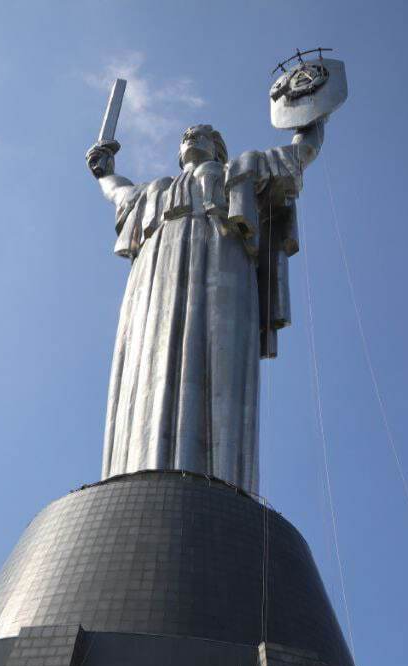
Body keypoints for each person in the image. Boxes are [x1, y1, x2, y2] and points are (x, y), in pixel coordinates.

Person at [85, 118, 325, 495]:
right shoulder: (154, 191)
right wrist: (104, 172)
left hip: (220, 257)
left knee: (218, 360)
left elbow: (299, 154)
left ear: (217, 148)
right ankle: (137, 474)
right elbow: (119, 193)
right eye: (184, 136)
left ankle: (221, 483)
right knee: (150, 363)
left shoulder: (238, 170)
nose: (189, 139)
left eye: (199, 135)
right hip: (154, 275)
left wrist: (312, 118)